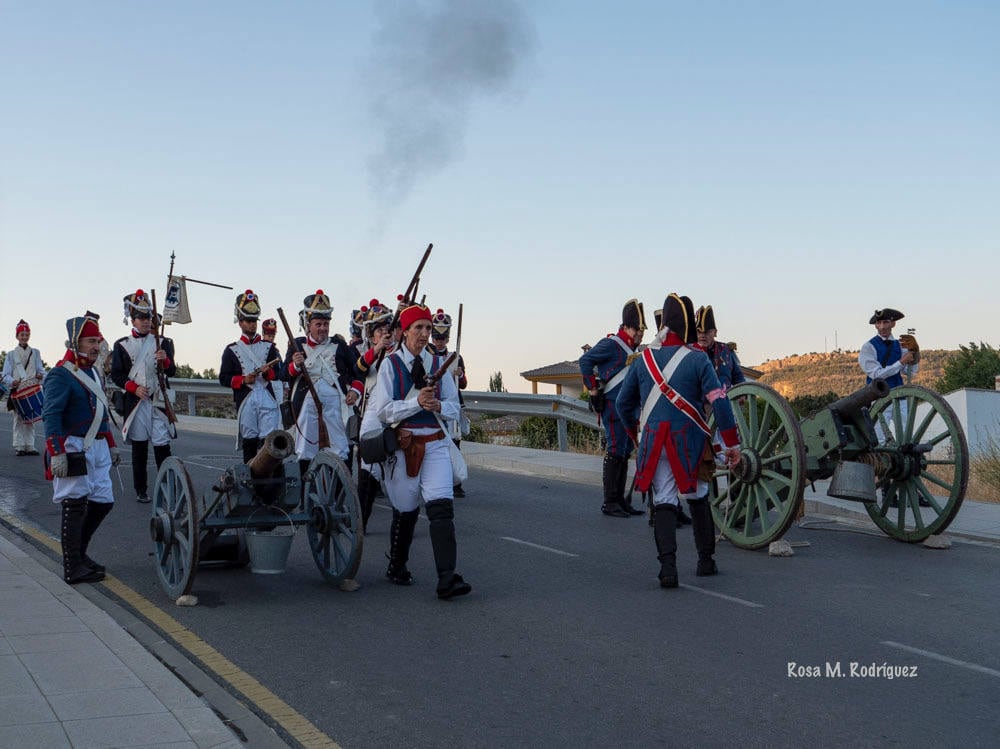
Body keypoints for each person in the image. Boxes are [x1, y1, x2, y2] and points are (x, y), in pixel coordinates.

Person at [616, 294, 742, 588]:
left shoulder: (643, 359)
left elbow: (623, 404)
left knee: (664, 500)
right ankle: (705, 561)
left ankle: (668, 570)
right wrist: (732, 445)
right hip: (690, 442)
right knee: (698, 496)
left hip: (654, 442)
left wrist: (636, 433)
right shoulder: (698, 359)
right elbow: (720, 403)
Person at [368, 302, 471, 600]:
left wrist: (438, 405)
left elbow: (454, 407)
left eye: (428, 328)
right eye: (419, 328)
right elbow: (384, 412)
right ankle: (397, 564)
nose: (425, 334)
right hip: (405, 445)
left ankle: (447, 578)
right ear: (405, 331)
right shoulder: (390, 365)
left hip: (436, 442)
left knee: (442, 509)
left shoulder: (441, 364)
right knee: (406, 509)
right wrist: (416, 403)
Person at [42, 313, 118, 584]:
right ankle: (72, 566)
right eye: (90, 341)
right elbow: (51, 415)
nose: (96, 346)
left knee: (103, 501)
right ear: (75, 342)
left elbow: (101, 413)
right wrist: (56, 451)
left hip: (96, 446)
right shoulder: (60, 374)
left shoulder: (94, 372)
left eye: (97, 341)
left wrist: (110, 444)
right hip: (74, 445)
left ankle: (80, 555)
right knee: (74, 503)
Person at [579, 299, 646, 517]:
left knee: (625, 452)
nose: (640, 334)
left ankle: (620, 500)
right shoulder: (611, 345)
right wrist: (592, 389)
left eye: (642, 330)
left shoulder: (634, 349)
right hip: (612, 406)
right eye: (637, 329)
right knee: (616, 449)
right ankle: (609, 501)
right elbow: (585, 361)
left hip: (628, 409)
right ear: (626, 327)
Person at [282, 290, 362, 469]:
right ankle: (306, 493)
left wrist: (355, 391)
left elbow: (357, 372)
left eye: (326, 324)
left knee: (341, 449)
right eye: (318, 324)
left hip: (335, 406)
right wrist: (294, 365)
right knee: (305, 451)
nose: (323, 328)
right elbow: (282, 374)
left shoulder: (339, 345)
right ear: (309, 325)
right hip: (305, 407)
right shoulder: (297, 344)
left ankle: (341, 494)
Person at [111, 289, 176, 503]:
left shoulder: (163, 342)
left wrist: (164, 361)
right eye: (141, 317)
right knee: (139, 449)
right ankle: (141, 490)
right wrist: (133, 388)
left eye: (148, 317)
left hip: (157, 402)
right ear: (133, 319)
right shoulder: (122, 345)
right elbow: (117, 375)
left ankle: (167, 488)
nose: (146, 321)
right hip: (136, 402)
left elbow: (172, 371)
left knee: (162, 447)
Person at [859, 307, 922, 506]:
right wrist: (900, 362)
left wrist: (915, 352)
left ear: (893, 323)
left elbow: (913, 368)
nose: (882, 326)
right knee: (882, 445)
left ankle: (914, 490)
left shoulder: (900, 344)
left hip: (900, 398)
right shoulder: (868, 347)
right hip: (879, 400)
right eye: (879, 323)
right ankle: (886, 491)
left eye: (886, 323)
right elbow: (876, 374)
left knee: (906, 443)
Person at [220, 291, 283, 464]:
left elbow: (278, 373)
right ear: (240, 322)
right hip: (246, 400)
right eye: (248, 321)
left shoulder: (268, 347)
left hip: (267, 399)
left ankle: (271, 485)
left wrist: (266, 373)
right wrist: (243, 380)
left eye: (254, 321)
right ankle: (251, 483)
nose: (252, 325)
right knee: (250, 444)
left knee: (270, 445)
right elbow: (224, 378)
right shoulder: (231, 350)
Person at [351, 299, 394, 531]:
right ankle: (361, 523)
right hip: (373, 416)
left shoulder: (401, 352)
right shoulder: (369, 354)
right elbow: (359, 369)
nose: (385, 333)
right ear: (371, 335)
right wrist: (378, 349)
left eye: (388, 329)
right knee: (368, 470)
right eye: (379, 330)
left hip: (399, 414)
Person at [427, 308, 469, 497]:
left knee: (454, 443)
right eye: (436, 337)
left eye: (442, 337)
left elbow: (464, 384)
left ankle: (456, 483)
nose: (439, 341)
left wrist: (460, 375)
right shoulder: (427, 355)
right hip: (434, 403)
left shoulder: (456, 356)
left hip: (452, 405)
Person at [3, 319, 46, 455]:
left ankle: (30, 445)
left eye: (26, 334)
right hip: (18, 389)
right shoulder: (11, 354)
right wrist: (12, 381)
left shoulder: (36, 352)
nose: (24, 337)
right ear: (17, 336)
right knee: (18, 419)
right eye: (22, 334)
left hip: (32, 388)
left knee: (30, 419)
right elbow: (5, 374)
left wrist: (40, 375)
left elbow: (41, 369)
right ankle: (19, 445)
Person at [696, 305, 746, 391]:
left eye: (707, 332)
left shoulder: (726, 350)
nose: (702, 335)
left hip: (725, 400)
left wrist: (742, 392)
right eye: (699, 332)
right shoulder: (691, 353)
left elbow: (738, 377)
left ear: (715, 332)